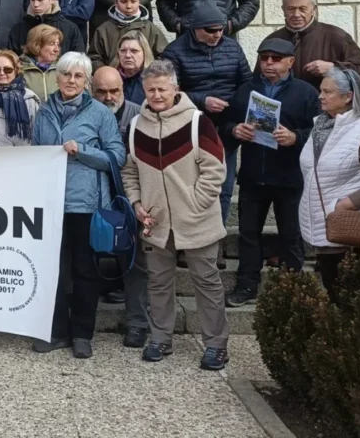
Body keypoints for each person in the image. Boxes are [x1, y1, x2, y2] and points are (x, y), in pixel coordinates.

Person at [121, 59, 231, 371]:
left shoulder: (199, 123)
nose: (156, 95)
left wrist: (196, 203)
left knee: (207, 283)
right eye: (151, 89)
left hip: (197, 221)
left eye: (162, 89)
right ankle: (160, 339)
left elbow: (215, 170)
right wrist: (137, 203)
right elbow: (130, 172)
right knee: (158, 283)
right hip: (155, 223)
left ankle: (216, 345)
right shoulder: (136, 127)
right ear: (144, 89)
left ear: (175, 89)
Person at [31, 52, 126, 359]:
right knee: (52, 270)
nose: (71, 81)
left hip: (85, 203)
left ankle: (83, 333)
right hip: (51, 202)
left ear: (87, 82)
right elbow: (35, 153)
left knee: (85, 269)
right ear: (56, 77)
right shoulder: (43, 112)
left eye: (78, 76)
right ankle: (57, 331)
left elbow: (117, 156)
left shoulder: (100, 113)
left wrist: (82, 151)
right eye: (66, 74)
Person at [223, 39, 319, 307]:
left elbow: (321, 132)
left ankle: (292, 288)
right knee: (248, 233)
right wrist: (234, 130)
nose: (268, 63)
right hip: (254, 175)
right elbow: (226, 124)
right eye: (264, 57)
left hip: (290, 176)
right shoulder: (246, 90)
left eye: (276, 58)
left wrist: (295, 136)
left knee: (290, 234)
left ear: (290, 62)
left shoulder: (306, 93)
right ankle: (246, 285)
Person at [161, 0, 251, 251]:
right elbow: (168, 92)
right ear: (194, 28)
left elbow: (247, 84)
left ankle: (215, 245)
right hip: (190, 128)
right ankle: (185, 244)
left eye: (221, 29)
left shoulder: (233, 49)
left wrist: (235, 107)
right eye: (210, 30)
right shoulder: (174, 52)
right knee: (187, 189)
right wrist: (202, 100)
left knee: (222, 189)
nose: (217, 34)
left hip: (226, 128)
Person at [298, 67, 360, 299]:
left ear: (348, 97)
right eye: (321, 91)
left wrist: (343, 206)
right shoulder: (321, 127)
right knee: (335, 295)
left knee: (350, 300)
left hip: (350, 229)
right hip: (324, 228)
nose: (321, 96)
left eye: (328, 92)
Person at [90, 65, 147, 343]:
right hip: (92, 196)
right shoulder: (86, 112)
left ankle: (137, 322)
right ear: (92, 90)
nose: (109, 97)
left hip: (129, 197)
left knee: (135, 262)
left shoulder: (138, 115)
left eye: (115, 91)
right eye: (101, 91)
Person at [263, 0, 360, 91]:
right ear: (283, 10)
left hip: (326, 109)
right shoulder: (272, 40)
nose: (296, 14)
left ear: (313, 9)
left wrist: (333, 69)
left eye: (302, 9)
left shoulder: (336, 36)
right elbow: (258, 81)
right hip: (284, 109)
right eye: (291, 9)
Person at [88, 0, 168, 70]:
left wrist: (149, 72)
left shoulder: (150, 28)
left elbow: (165, 56)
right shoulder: (104, 29)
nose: (129, 6)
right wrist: (107, 73)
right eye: (123, 1)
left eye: (133, 1)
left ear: (139, 1)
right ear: (115, 2)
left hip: (144, 81)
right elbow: (93, 58)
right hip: (114, 81)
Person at [6, 0, 84, 56]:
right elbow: (12, 62)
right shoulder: (18, 30)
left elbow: (77, 62)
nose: (35, 4)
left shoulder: (70, 29)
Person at [20, 25, 61, 102]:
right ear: (36, 45)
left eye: (58, 44)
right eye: (51, 44)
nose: (56, 49)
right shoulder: (19, 69)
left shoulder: (63, 69)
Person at [117, 30, 154, 105]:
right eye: (123, 51)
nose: (127, 55)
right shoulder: (111, 77)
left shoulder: (153, 80)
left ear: (145, 53)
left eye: (134, 51)